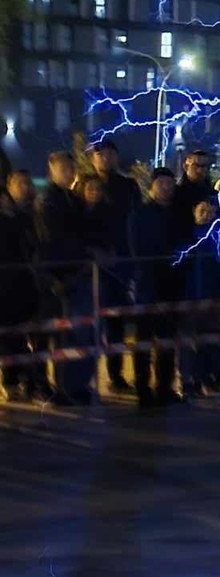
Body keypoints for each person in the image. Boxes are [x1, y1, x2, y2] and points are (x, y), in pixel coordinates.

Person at [128, 168, 189, 407]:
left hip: (172, 282)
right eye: (161, 183)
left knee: (167, 338)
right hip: (148, 281)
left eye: (169, 183)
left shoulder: (179, 214)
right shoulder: (140, 214)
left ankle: (164, 386)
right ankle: (142, 387)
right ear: (151, 186)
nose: (165, 187)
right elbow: (136, 246)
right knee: (144, 337)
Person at [38, 152, 94, 404]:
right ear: (52, 170)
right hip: (61, 275)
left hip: (75, 271)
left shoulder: (71, 199)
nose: (69, 173)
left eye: (71, 169)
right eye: (64, 169)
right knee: (66, 336)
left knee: (79, 333)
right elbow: (52, 240)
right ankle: (65, 388)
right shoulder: (48, 201)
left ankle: (76, 385)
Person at [89, 139, 140, 393]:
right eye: (100, 154)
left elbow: (136, 221)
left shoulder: (128, 186)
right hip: (94, 263)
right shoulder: (86, 185)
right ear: (93, 158)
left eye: (109, 153)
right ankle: (87, 378)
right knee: (92, 324)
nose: (105, 158)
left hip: (122, 262)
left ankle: (116, 374)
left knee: (117, 323)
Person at [0, 170, 44, 402]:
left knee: (27, 335)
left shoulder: (28, 215)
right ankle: (14, 380)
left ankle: (30, 381)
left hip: (25, 284)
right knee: (10, 337)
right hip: (7, 286)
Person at [181, 196, 220, 396]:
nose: (207, 215)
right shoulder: (189, 236)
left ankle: (210, 377)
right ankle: (193, 378)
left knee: (212, 340)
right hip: (193, 295)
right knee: (194, 342)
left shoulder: (218, 236)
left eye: (210, 211)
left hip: (212, 295)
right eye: (203, 211)